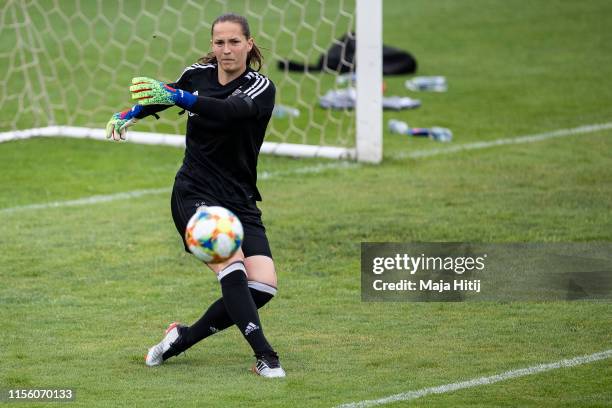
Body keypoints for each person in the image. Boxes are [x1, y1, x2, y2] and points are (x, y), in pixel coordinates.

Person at [105, 13, 285, 378]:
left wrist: (181, 96)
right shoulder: (196, 76)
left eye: (234, 42)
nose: (226, 49)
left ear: (249, 44)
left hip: (239, 197)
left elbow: (230, 111)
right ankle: (266, 356)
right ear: (212, 45)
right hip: (194, 192)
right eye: (219, 42)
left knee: (262, 286)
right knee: (230, 264)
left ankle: (181, 339)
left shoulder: (259, 87)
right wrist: (130, 114)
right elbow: (166, 95)